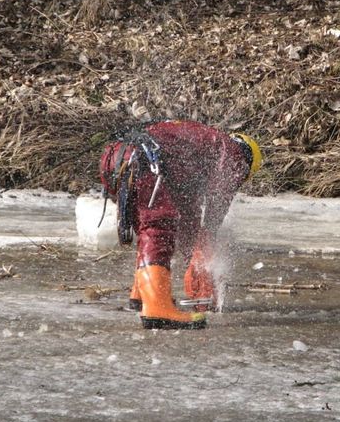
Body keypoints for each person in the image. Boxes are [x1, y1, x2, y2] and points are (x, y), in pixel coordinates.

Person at [99, 120, 262, 330]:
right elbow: (212, 219)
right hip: (143, 160)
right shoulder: (232, 154)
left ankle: (141, 296)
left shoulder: (194, 151)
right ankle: (156, 308)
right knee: (158, 227)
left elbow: (189, 219)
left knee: (151, 229)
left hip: (115, 158)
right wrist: (204, 257)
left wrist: (193, 262)